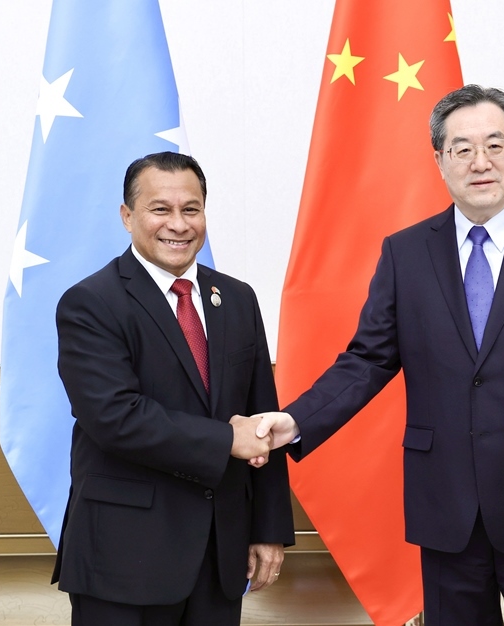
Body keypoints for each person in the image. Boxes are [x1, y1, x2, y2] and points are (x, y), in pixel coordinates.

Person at [256, 85, 504, 625]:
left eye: (495, 145)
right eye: (462, 149)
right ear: (439, 160)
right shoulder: (406, 253)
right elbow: (367, 360)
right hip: (447, 508)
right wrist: (295, 421)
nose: (481, 162)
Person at [52, 151, 295, 626]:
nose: (179, 225)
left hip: (220, 553)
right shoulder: (91, 303)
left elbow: (261, 415)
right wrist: (227, 440)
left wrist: (268, 529)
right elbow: (115, 418)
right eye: (160, 209)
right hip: (124, 556)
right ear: (127, 216)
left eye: (191, 209)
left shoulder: (237, 298)